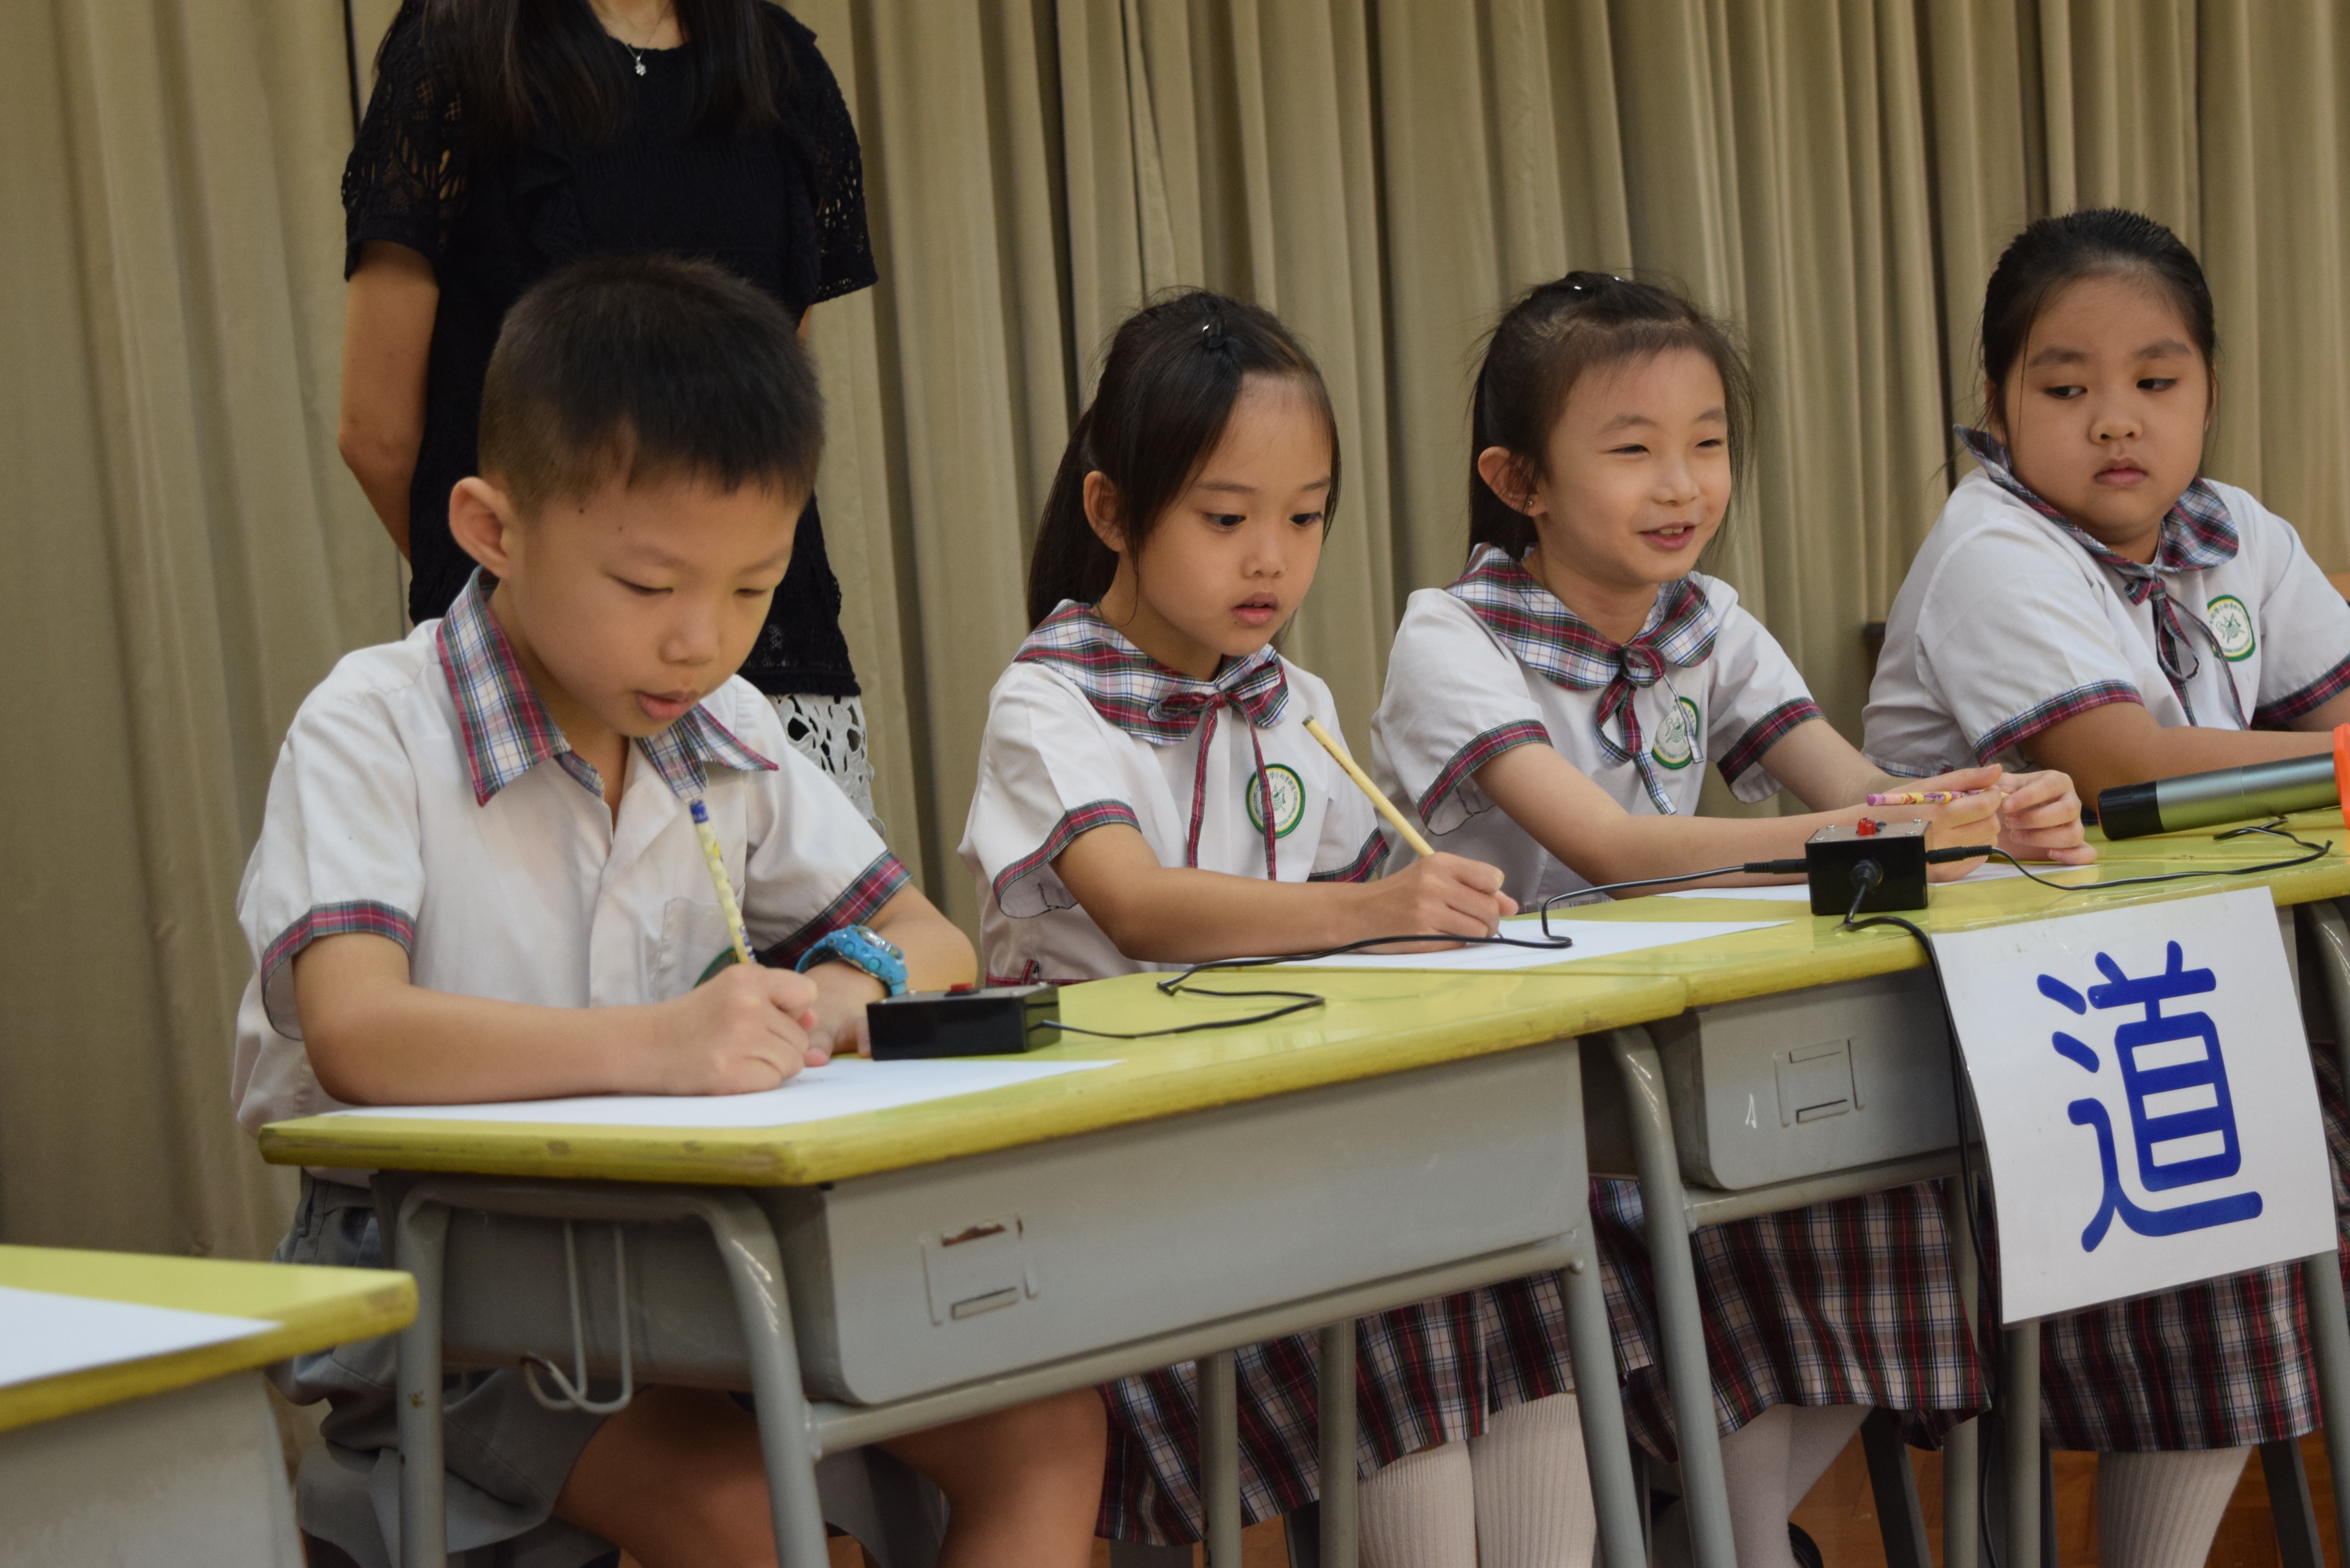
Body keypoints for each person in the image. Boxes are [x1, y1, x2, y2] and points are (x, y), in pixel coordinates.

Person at [239, 256, 1105, 1568]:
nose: (702, 640)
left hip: (681, 1260)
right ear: (490, 527)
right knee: (757, 1521)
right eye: (650, 588)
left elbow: (927, 939)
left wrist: (839, 991)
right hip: (443, 1288)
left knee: (1043, 1432)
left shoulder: (724, 729)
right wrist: (663, 1045)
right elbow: (358, 1034)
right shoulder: (372, 727)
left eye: (752, 589)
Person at [1368, 272, 2093, 1568]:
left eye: (1706, 444)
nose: (1681, 486)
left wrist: (1985, 811)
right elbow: (1610, 852)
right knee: (1742, 1234)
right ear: (1518, 480)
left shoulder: (1708, 619)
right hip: (1496, 1088)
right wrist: (1879, 841)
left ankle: (1715, 1537)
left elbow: (1855, 792)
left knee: (1890, 1208)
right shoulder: (1453, 636)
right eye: (1632, 450)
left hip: (1665, 1063)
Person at [959, 290, 1598, 1567]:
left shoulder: (1290, 701)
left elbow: (1364, 922)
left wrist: (1429, 923)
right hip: (1107, 1170)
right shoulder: (1047, 700)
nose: (1272, 560)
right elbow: (1140, 907)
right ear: (1111, 512)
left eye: (1305, 519)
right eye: (1226, 519)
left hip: (1275, 1139)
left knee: (1520, 1262)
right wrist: (1372, 910)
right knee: (1403, 1295)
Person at [1864, 207, 2350, 1567]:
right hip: (2006, 1030)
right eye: (2066, 388)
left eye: (2155, 379)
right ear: (1996, 405)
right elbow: (2119, 765)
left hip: (2196, 994)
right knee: (2235, 1251)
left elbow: (2337, 715)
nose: (2117, 420)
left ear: (2209, 390)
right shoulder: (1991, 549)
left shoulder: (2236, 532)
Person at [339, 0, 883, 821]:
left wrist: (715, 593)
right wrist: (563, 593)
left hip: (771, 667)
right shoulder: (458, 46)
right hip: (534, 673)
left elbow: (769, 417)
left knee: (812, 904)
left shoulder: (783, 66)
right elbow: (377, 434)